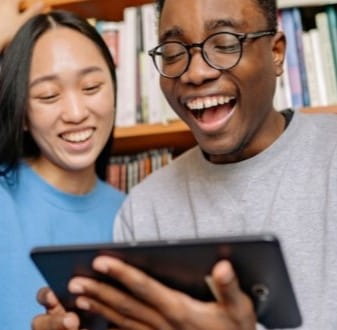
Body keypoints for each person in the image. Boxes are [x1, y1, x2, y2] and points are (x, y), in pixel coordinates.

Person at [33, 0, 337, 329]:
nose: (195, 73)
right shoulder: (143, 210)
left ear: (276, 52)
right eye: (174, 53)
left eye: (224, 44)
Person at [0, 9, 125, 329]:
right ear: (23, 113)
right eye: (49, 95)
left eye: (92, 87)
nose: (75, 113)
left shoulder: (132, 213)